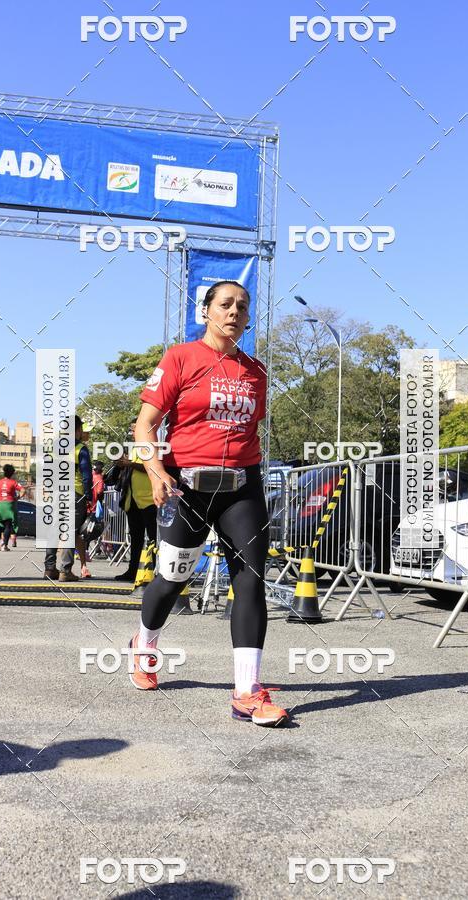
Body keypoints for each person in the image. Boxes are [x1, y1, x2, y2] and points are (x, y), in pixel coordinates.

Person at [129, 280, 288, 727]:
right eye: (225, 304)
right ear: (207, 312)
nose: (234, 311)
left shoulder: (256, 371)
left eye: (242, 305)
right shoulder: (180, 358)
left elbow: (249, 433)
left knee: (251, 578)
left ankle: (247, 691)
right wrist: (157, 472)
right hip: (187, 486)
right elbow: (145, 427)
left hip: (242, 486)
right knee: (171, 579)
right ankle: (145, 644)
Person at [43, 416, 93, 581]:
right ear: (78, 429)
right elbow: (86, 476)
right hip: (74, 494)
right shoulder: (80, 448)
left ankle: (50, 569)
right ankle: (65, 570)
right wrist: (89, 496)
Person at [114, 422, 157, 582]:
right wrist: (122, 464)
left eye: (134, 429)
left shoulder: (153, 445)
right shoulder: (135, 448)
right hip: (132, 500)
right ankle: (133, 571)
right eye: (132, 430)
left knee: (153, 539)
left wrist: (129, 463)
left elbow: (152, 468)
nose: (132, 433)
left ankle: (154, 572)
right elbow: (132, 468)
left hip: (149, 500)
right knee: (136, 538)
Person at [0, 465, 25, 551]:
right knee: (8, 525)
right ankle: (4, 546)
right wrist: (17, 498)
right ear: (12, 473)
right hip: (9, 504)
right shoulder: (13, 482)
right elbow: (23, 490)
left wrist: (0, 494)